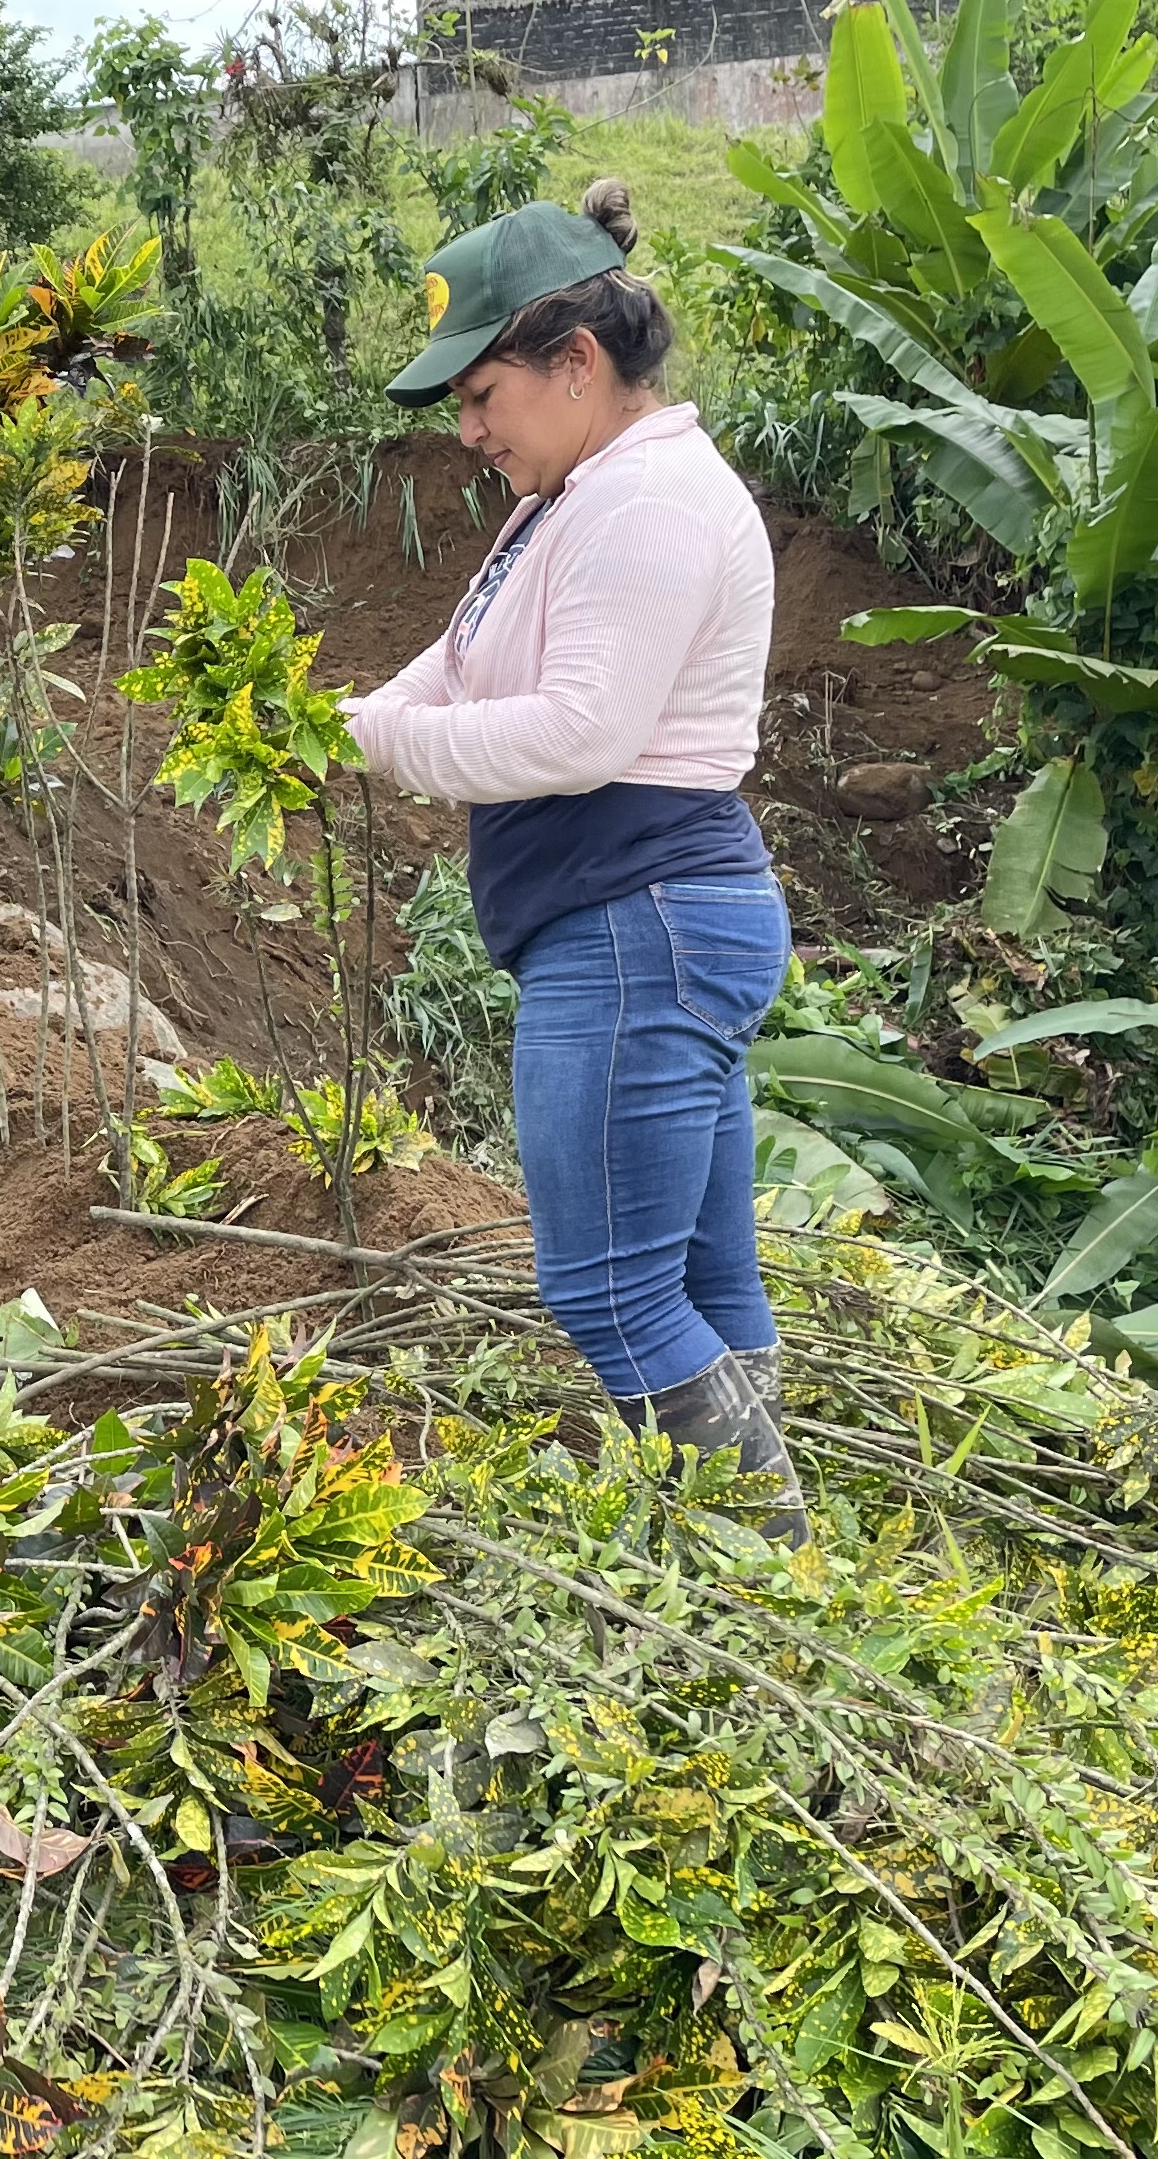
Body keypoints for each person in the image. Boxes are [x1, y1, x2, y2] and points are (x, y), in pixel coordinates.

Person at [341, 178, 801, 1534]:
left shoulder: (644, 504)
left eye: (483, 395)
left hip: (635, 921)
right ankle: (757, 1556)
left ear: (578, 364)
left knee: (607, 1288)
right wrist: (349, 718)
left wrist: (382, 746)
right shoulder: (576, 494)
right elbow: (463, 658)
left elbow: (581, 732)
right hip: (653, 916)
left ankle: (773, 1561)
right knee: (702, 1282)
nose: (470, 431)